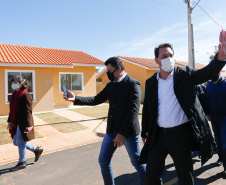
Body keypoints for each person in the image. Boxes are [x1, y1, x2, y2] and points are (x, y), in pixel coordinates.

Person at [139, 30, 226, 185]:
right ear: (156, 60)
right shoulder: (151, 82)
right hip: (157, 136)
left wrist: (220, 58)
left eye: (170, 55)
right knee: (151, 175)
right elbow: (148, 109)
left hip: (180, 136)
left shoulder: (184, 75)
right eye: (164, 56)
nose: (168, 59)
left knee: (185, 177)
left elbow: (205, 73)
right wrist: (145, 131)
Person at [64, 57, 146, 185]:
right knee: (103, 161)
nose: (107, 73)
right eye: (106, 70)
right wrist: (76, 98)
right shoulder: (110, 85)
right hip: (112, 131)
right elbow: (96, 99)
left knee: (138, 163)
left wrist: (122, 134)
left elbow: (133, 112)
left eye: (110, 70)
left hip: (128, 133)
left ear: (119, 68)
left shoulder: (133, 84)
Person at [7, 76, 43, 172]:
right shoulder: (15, 94)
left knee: (20, 142)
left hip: (23, 122)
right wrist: (9, 121)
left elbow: (28, 111)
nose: (13, 84)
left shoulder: (25, 95)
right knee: (16, 142)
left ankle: (22, 162)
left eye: (15, 82)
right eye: (13, 82)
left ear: (21, 83)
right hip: (16, 121)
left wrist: (29, 125)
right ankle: (36, 150)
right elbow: (12, 110)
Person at [206, 73, 226, 177]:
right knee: (218, 140)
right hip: (214, 118)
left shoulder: (225, 84)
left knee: (224, 142)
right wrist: (208, 113)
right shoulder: (209, 84)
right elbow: (207, 99)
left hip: (224, 118)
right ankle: (221, 158)